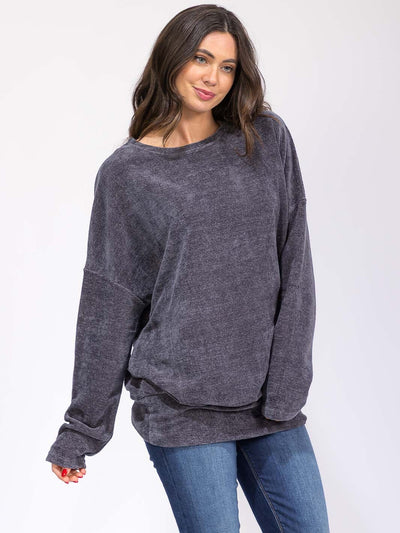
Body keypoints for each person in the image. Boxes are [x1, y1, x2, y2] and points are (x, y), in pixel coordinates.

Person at [45, 4, 330, 532]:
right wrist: (82, 429)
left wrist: (288, 382)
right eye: (201, 58)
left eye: (227, 67)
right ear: (172, 58)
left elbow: (296, 265)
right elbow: (109, 304)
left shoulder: (265, 140)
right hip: (180, 405)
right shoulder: (127, 175)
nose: (213, 78)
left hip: (270, 402)